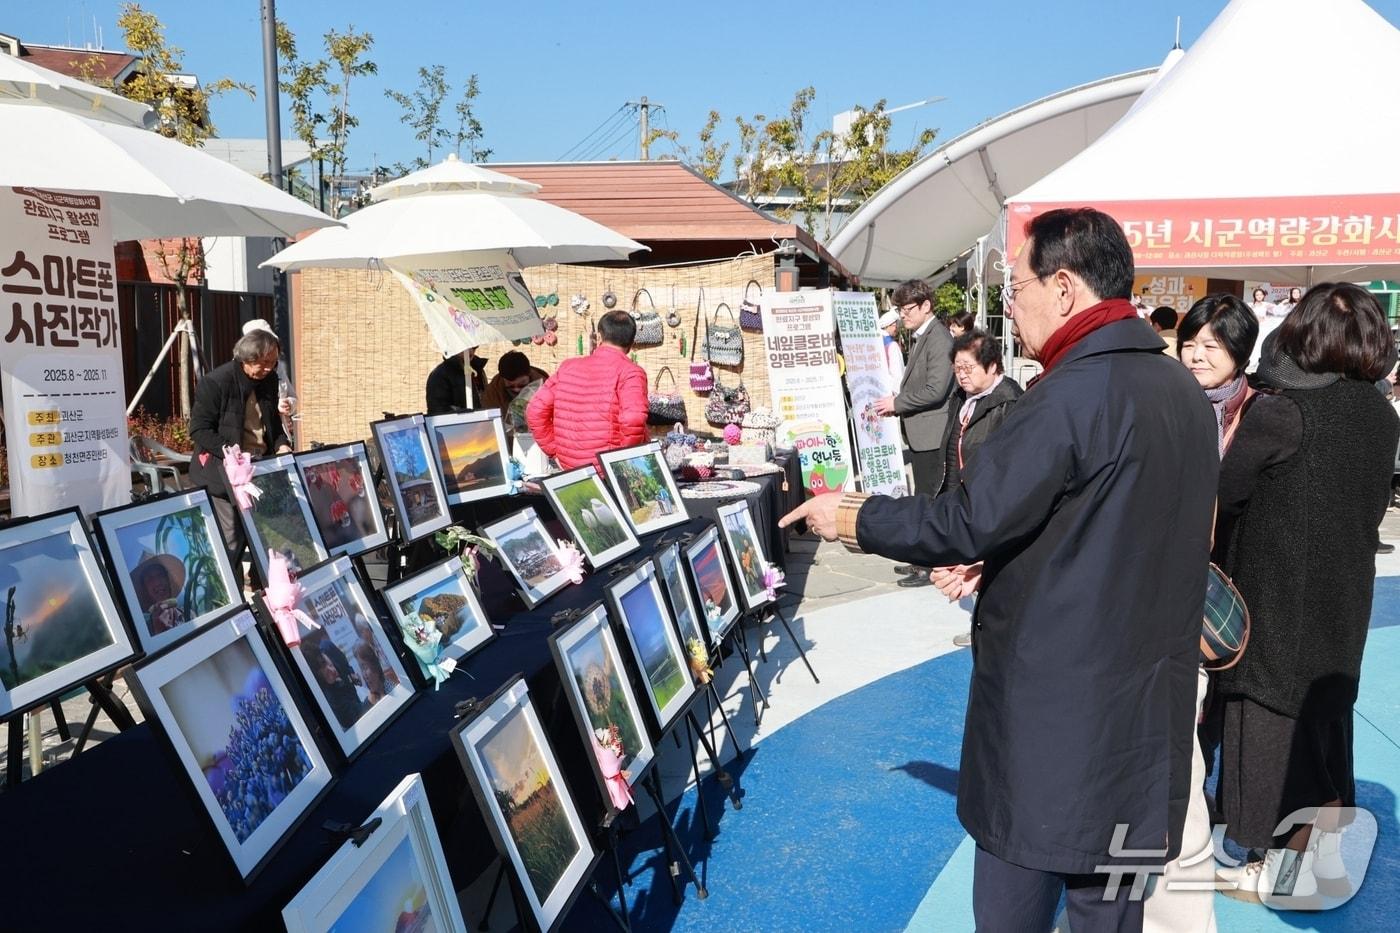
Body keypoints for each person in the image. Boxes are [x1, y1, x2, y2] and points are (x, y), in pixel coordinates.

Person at [780, 207, 1218, 931]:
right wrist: (1011, 560)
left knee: (1014, 910)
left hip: (1052, 727)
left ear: (1065, 288)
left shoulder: (1066, 396)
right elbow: (1113, 526)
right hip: (1146, 725)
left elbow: (964, 519)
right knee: (1113, 914)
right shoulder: (1182, 393)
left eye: (1016, 288)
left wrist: (852, 514)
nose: (1010, 305)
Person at [1208, 284, 1398, 904]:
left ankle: (1268, 868)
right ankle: (1308, 856)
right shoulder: (1382, 414)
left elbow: (1225, 495)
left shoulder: (1283, 413)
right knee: (1323, 729)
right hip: (1343, 599)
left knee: (1267, 742)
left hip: (1273, 604)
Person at [1141, 294, 1256, 932]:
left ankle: (1178, 911)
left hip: (1207, 597)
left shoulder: (1256, 414)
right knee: (1176, 752)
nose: (1197, 355)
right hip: (1171, 597)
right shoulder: (1171, 403)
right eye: (1191, 342)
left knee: (1180, 759)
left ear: (1241, 353)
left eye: (1213, 345)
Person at [931, 329, 1022, 647]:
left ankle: (994, 631)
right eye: (957, 368)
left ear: (993, 365)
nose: (962, 375)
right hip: (960, 498)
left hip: (990, 505)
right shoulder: (962, 398)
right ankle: (980, 625)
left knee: (991, 570)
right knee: (965, 566)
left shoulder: (1010, 402)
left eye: (968, 367)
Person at [188, 329, 293, 587]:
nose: (268, 369)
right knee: (231, 540)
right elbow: (199, 430)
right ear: (246, 358)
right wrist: (233, 453)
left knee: (264, 537)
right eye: (263, 363)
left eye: (273, 363)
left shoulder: (269, 380)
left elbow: (272, 425)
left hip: (260, 470)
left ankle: (265, 593)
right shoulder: (216, 382)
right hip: (222, 473)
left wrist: (282, 445)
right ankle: (228, 596)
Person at [873, 279, 955, 588]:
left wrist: (897, 403)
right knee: (923, 498)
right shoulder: (924, 335)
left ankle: (928, 565)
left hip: (933, 434)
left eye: (907, 309)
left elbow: (936, 389)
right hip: (922, 433)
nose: (902, 315)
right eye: (899, 310)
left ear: (926, 306)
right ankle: (921, 558)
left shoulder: (939, 338)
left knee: (930, 500)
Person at [526, 310, 648, 470]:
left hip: (571, 469)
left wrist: (554, 451)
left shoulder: (568, 367)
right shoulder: (631, 372)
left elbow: (535, 410)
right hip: (607, 470)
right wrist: (624, 464)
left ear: (599, 337)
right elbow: (633, 419)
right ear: (632, 343)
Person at [480, 350, 549, 418]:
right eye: (511, 386)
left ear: (529, 374)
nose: (516, 390)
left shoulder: (546, 387)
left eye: (522, 385)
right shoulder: (492, 393)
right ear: (502, 379)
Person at [132, 551, 187, 635]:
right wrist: (158, 631)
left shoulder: (188, 615)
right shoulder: (142, 633)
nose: (157, 583)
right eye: (149, 579)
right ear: (146, 590)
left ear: (168, 580)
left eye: (160, 575)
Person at [425, 348, 488, 414]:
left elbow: (484, 400)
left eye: (474, 347)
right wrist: (466, 415)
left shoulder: (477, 369)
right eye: (464, 347)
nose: (471, 351)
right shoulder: (440, 374)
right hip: (458, 420)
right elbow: (437, 410)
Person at [877, 309, 906, 385]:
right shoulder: (892, 345)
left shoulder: (876, 342)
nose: (896, 329)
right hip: (891, 388)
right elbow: (898, 374)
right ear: (888, 325)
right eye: (895, 325)